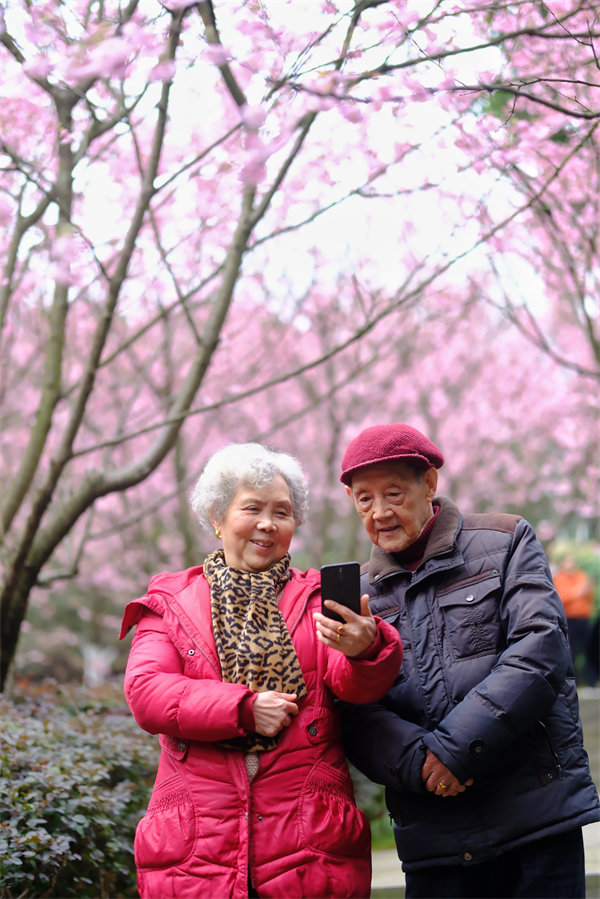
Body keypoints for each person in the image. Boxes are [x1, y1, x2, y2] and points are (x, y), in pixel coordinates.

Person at [119, 442, 402, 899]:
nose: (268, 524)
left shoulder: (317, 598)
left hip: (307, 843)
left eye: (283, 512)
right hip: (198, 846)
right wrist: (243, 709)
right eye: (252, 508)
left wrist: (365, 649)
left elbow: (353, 686)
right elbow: (148, 692)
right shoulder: (169, 603)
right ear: (217, 517)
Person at [338, 422, 600, 899]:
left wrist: (454, 751)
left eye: (394, 493)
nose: (380, 512)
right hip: (435, 836)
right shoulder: (357, 596)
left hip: (536, 821)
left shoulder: (505, 540)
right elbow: (353, 707)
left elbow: (539, 649)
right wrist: (420, 764)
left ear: (430, 483)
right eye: (364, 499)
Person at [553, 553, 596, 687]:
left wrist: (580, 592)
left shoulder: (581, 576)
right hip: (568, 619)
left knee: (589, 650)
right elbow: (562, 597)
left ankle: (591, 681)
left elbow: (588, 595)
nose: (570, 565)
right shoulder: (558, 578)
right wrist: (578, 592)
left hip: (583, 618)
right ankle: (574, 683)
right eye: (568, 562)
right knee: (570, 652)